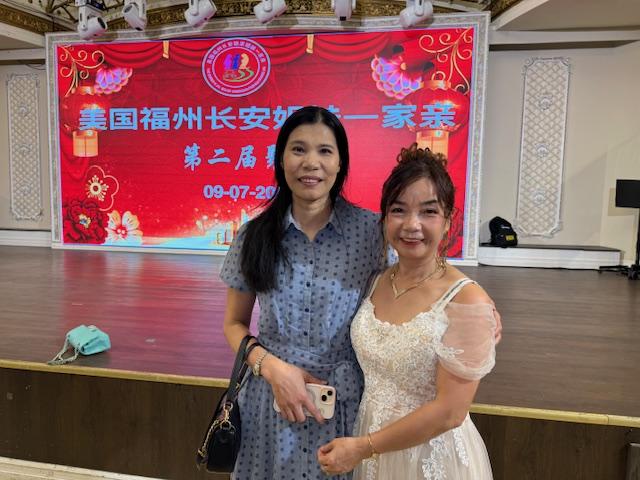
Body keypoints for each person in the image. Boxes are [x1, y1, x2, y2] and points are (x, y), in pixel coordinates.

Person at [220, 106, 385, 480]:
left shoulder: (371, 233)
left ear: (340, 163)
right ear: (281, 160)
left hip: (346, 401)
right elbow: (233, 323)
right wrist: (274, 369)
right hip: (270, 398)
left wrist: (464, 297)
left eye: (325, 151)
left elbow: (416, 280)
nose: (311, 163)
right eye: (298, 149)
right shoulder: (254, 235)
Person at [317, 144, 497, 480]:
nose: (412, 225)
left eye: (428, 212)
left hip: (431, 457)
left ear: (448, 221)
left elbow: (450, 412)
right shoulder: (377, 280)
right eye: (399, 210)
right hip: (373, 449)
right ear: (385, 218)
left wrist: (364, 447)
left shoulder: (468, 300)